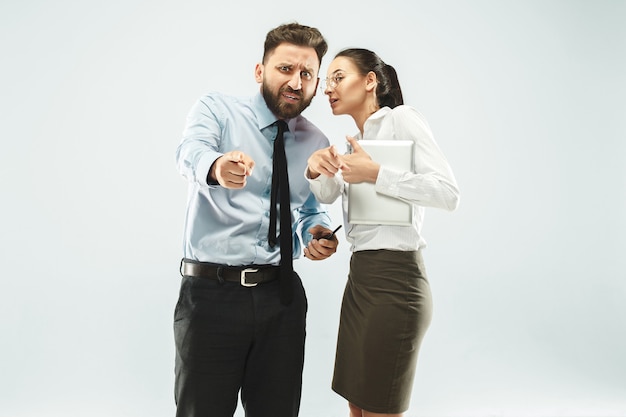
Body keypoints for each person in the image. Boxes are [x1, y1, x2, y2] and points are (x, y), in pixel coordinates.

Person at [174, 22, 339, 417]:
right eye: (285, 69)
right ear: (260, 71)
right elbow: (190, 152)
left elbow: (308, 208)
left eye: (306, 74)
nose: (296, 82)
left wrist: (315, 232)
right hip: (211, 294)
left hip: (280, 296)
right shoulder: (217, 109)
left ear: (316, 83)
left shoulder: (315, 141)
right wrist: (216, 167)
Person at [306, 48, 460, 417]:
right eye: (327, 81)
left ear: (370, 81)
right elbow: (329, 194)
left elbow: (447, 193)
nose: (329, 88)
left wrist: (376, 174)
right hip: (360, 282)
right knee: (357, 407)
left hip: (396, 284)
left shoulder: (402, 120)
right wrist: (316, 169)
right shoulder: (352, 144)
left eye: (338, 77)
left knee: (379, 408)